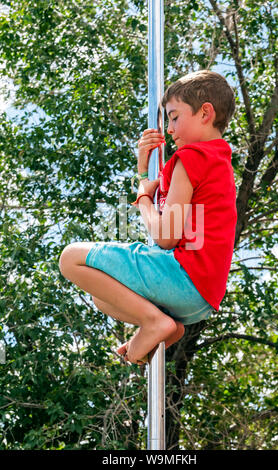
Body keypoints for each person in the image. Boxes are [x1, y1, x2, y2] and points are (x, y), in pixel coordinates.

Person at [59, 70, 237, 365]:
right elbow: (178, 217)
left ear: (205, 113)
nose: (169, 129)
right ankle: (167, 326)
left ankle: (156, 323)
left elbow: (165, 237)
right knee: (102, 294)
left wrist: (142, 195)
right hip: (201, 299)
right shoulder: (217, 162)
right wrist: (144, 172)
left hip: (183, 277)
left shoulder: (192, 158)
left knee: (71, 258)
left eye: (175, 117)